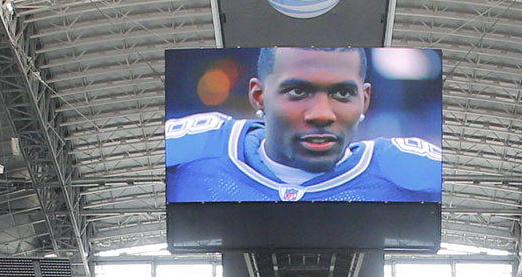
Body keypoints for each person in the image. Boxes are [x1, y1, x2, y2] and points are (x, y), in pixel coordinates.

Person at [163, 47, 440, 203]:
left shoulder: (414, 174)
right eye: (298, 92)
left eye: (342, 94)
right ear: (259, 97)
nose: (321, 114)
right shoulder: (191, 152)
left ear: (365, 100)